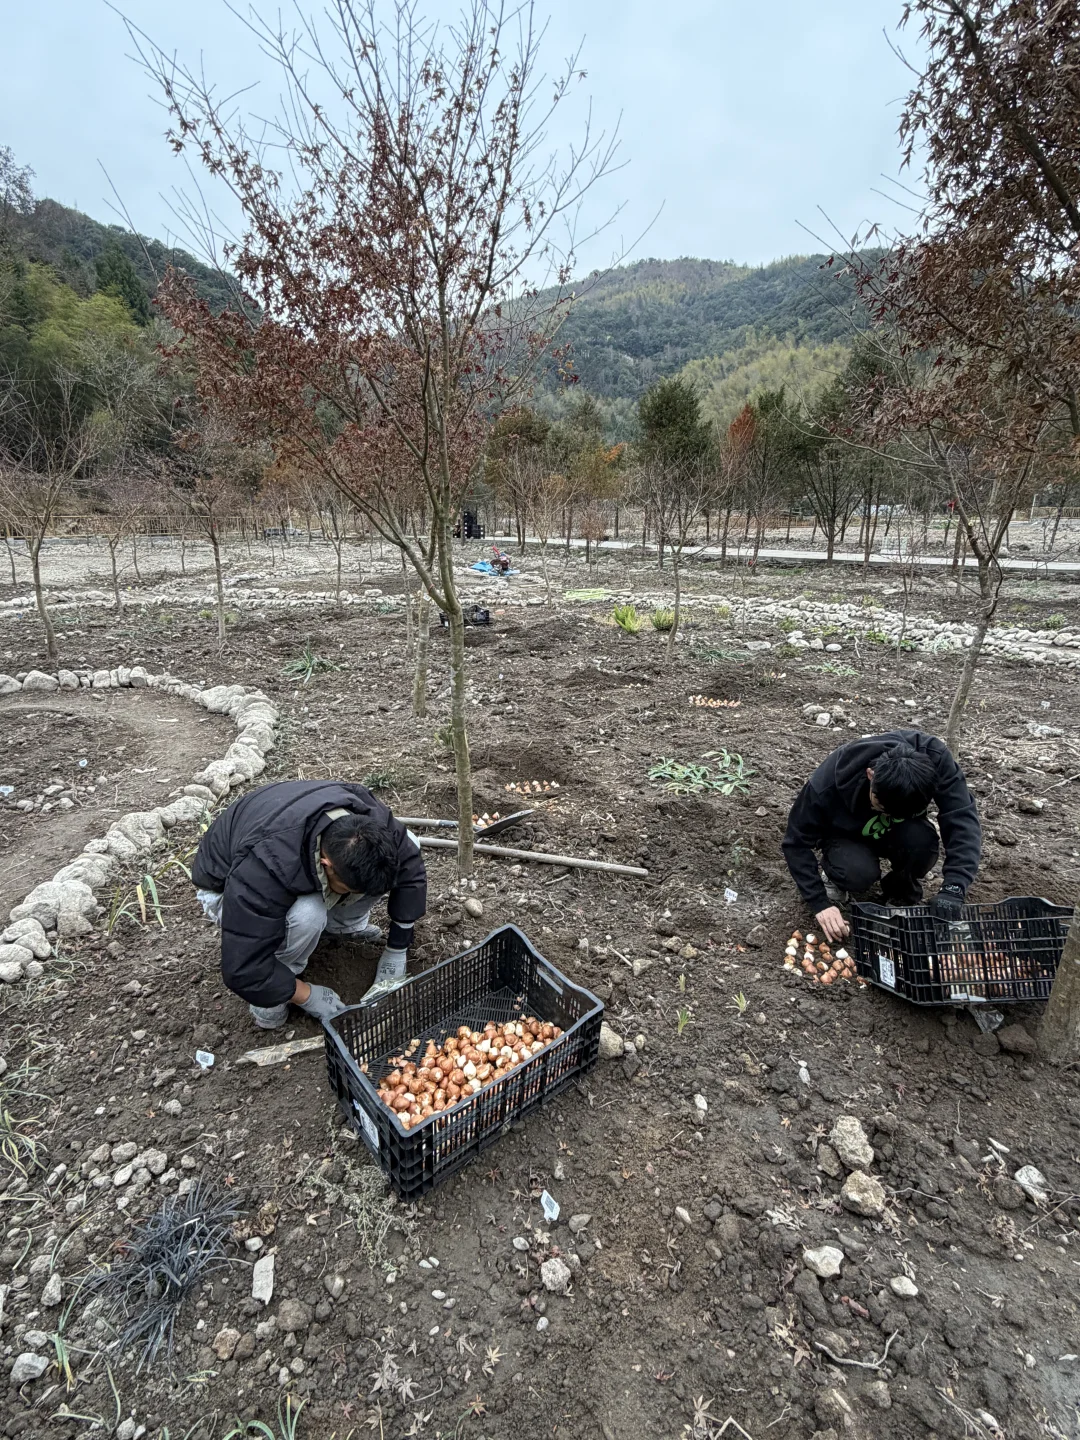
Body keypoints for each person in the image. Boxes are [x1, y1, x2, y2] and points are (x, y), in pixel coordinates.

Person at [191, 780, 427, 1029]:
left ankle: (343, 927)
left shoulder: (369, 817)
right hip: (225, 887)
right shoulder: (264, 867)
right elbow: (243, 965)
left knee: (408, 844)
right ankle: (279, 977)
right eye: (347, 891)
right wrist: (303, 993)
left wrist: (398, 948)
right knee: (309, 913)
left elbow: (410, 865)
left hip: (285, 834)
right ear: (326, 865)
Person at [781, 730, 981, 943]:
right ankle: (835, 877)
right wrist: (820, 903)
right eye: (881, 807)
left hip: (901, 830)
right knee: (855, 871)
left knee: (922, 843)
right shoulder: (827, 783)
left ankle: (900, 892)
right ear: (871, 775)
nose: (884, 813)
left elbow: (961, 819)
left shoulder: (934, 758)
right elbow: (796, 843)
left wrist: (954, 887)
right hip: (846, 835)